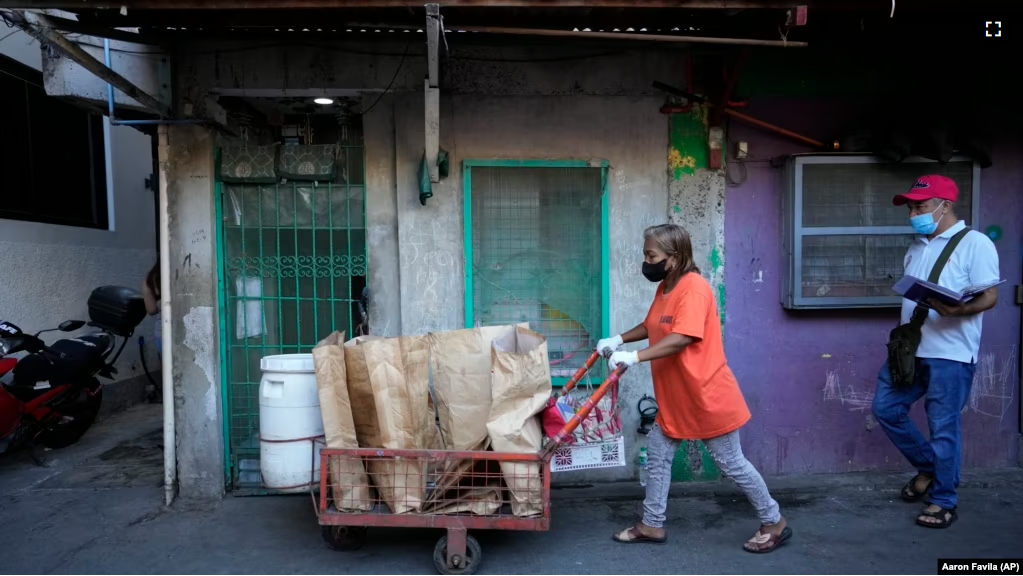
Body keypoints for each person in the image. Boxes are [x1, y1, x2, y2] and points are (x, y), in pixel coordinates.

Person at [598, 223, 791, 553]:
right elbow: (652, 324)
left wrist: (634, 357)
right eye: (646, 253)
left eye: (652, 255)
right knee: (658, 457)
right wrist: (619, 339)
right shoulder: (667, 287)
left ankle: (774, 521)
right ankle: (652, 524)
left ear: (673, 258)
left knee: (732, 463)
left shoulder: (695, 288)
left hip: (706, 395)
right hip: (678, 397)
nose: (647, 261)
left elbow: (683, 337)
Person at [872, 175, 1000, 529]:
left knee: (944, 426)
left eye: (921, 206)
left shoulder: (975, 244)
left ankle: (944, 500)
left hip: (952, 353)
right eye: (911, 207)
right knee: (886, 409)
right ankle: (929, 467)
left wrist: (958, 311)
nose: (914, 213)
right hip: (910, 349)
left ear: (946, 205)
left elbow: (990, 296)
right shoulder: (916, 246)